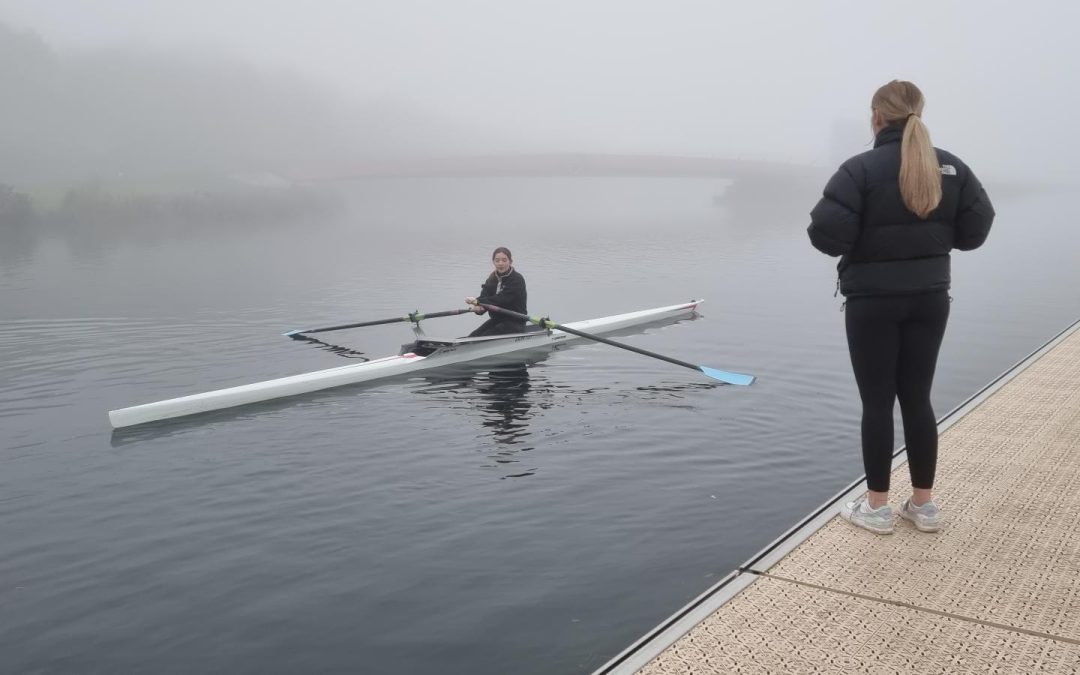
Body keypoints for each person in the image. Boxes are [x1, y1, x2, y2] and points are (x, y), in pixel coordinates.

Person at [808, 80, 994, 535]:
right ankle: (924, 507)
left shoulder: (860, 170)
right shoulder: (950, 167)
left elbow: (825, 235)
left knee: (877, 403)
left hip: (872, 301)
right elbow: (976, 229)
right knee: (917, 398)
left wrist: (866, 238)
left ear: (876, 117)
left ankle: (877, 508)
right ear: (919, 113)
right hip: (930, 298)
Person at [465, 247, 528, 337]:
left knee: (483, 338)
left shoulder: (517, 279)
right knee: (472, 337)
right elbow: (484, 298)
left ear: (510, 261)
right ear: (493, 262)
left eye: (504, 260)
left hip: (515, 322)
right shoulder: (491, 280)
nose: (500, 263)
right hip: (497, 320)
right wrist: (479, 309)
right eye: (497, 260)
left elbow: (502, 300)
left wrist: (477, 301)